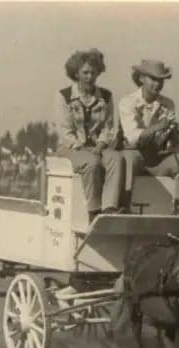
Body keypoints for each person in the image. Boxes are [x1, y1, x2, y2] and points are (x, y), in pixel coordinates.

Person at [53, 49, 124, 222]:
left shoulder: (106, 96)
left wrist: (100, 145)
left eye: (93, 72)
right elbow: (65, 132)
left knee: (116, 158)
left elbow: (108, 127)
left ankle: (109, 207)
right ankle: (94, 211)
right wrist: (82, 148)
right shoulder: (64, 96)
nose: (89, 77)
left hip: (96, 148)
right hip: (70, 149)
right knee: (92, 163)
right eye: (85, 72)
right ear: (76, 73)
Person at [118, 59, 179, 215]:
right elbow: (132, 138)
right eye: (154, 79)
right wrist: (158, 127)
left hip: (156, 159)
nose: (158, 84)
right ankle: (124, 205)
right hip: (135, 156)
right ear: (141, 79)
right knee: (131, 158)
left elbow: (168, 141)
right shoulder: (127, 103)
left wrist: (175, 135)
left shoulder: (168, 104)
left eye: (161, 80)